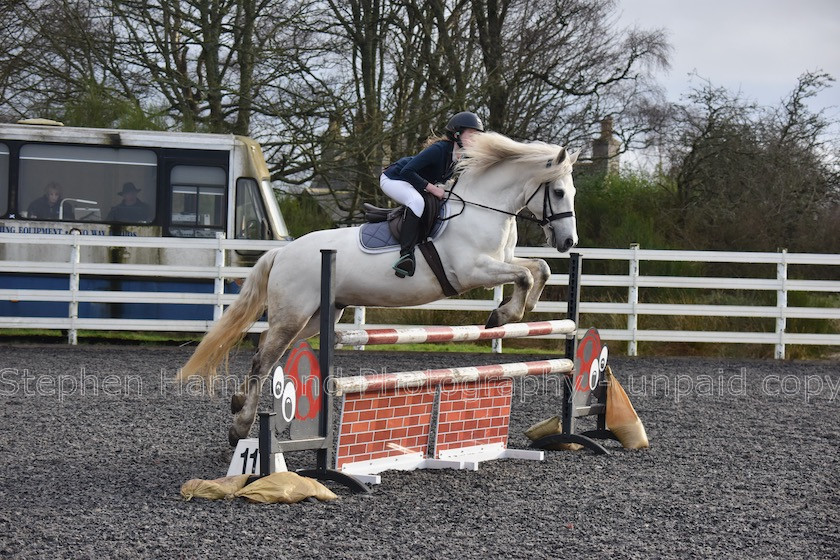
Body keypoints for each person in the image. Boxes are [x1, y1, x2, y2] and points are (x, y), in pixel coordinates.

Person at [381, 111, 484, 278]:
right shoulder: (439, 149)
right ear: (457, 134)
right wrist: (433, 189)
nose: (475, 140)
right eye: (471, 135)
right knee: (417, 202)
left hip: (412, 180)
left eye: (478, 136)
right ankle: (405, 256)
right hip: (394, 178)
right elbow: (408, 171)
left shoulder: (460, 156)